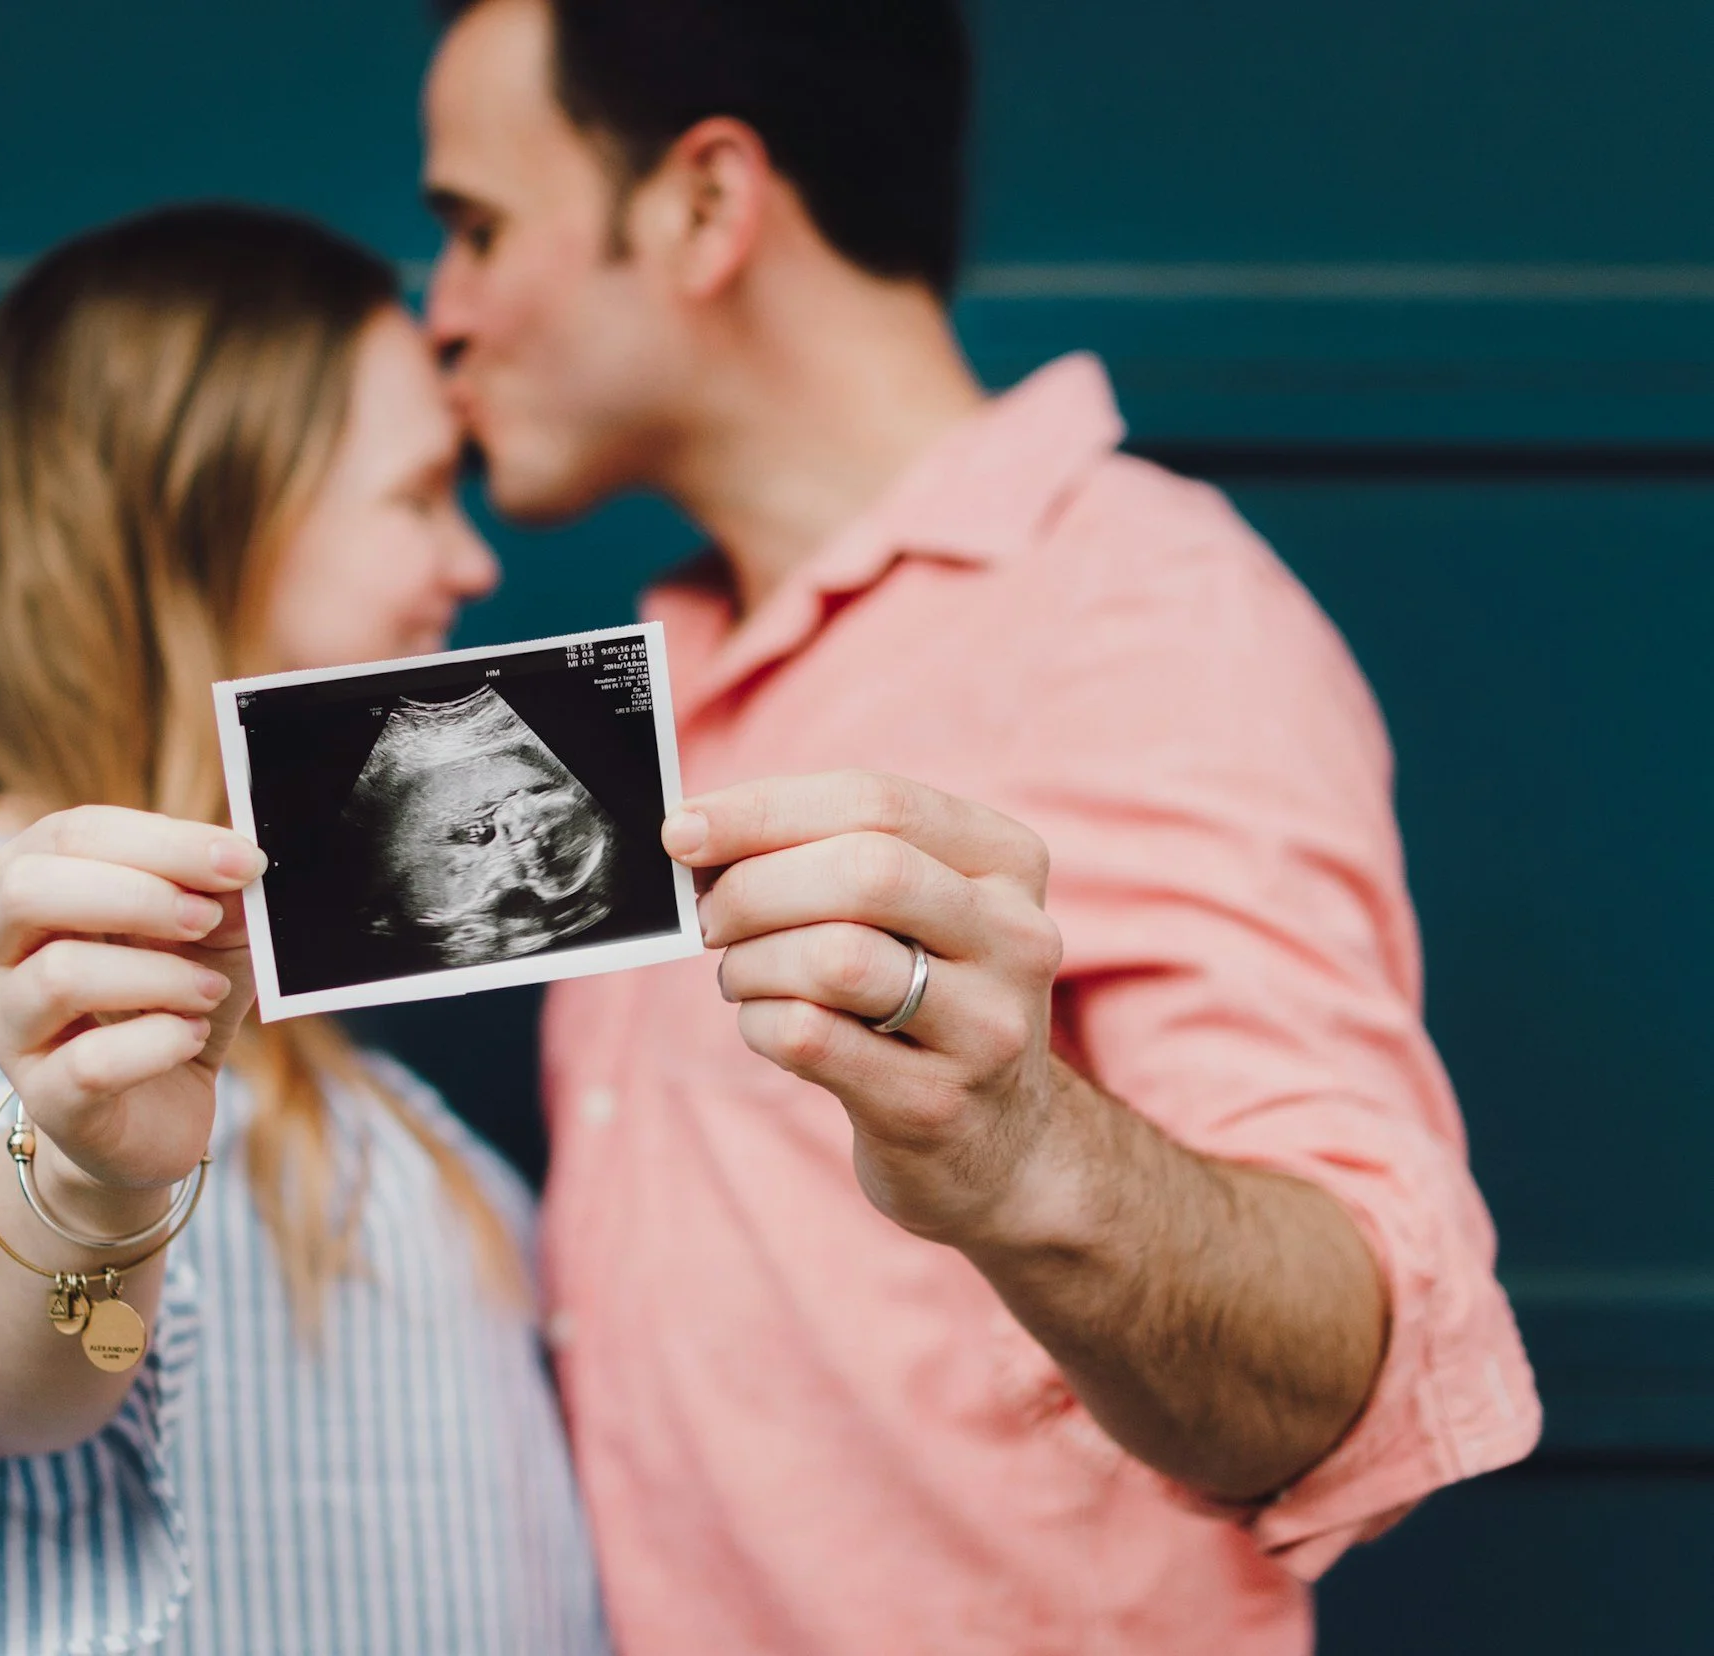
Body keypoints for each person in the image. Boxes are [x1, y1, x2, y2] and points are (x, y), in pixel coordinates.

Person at [416, 0, 1541, 1650]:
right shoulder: (655, 686)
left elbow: (1349, 1376)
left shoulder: (1138, 614)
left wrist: (1019, 1149)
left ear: (707, 206)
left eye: (477, 228)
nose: (438, 315)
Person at [0, 204, 607, 1655]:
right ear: (202, 518)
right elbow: (3, 1384)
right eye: (414, 497)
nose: (470, 566)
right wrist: (89, 1188)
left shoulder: (280, 1020)